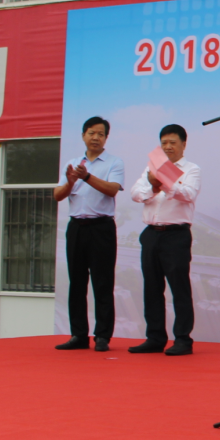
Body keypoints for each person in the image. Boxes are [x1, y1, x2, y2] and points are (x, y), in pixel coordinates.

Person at [53, 116, 125, 352]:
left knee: (103, 283)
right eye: (92, 133)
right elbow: (57, 195)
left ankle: (102, 336)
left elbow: (112, 190)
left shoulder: (114, 162)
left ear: (106, 138)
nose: (96, 137)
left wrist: (86, 177)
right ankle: (79, 335)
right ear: (83, 135)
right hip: (76, 227)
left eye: (101, 134)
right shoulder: (73, 163)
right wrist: (71, 181)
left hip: (101, 228)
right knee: (76, 283)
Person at [128, 124, 201, 356]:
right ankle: (155, 338)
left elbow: (188, 194)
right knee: (152, 288)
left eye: (173, 142)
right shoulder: (150, 168)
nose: (168, 147)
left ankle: (183, 339)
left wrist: (166, 179)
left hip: (176, 235)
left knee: (179, 288)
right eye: (164, 143)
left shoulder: (192, 169)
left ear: (183, 144)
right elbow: (136, 193)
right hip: (151, 234)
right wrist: (153, 185)